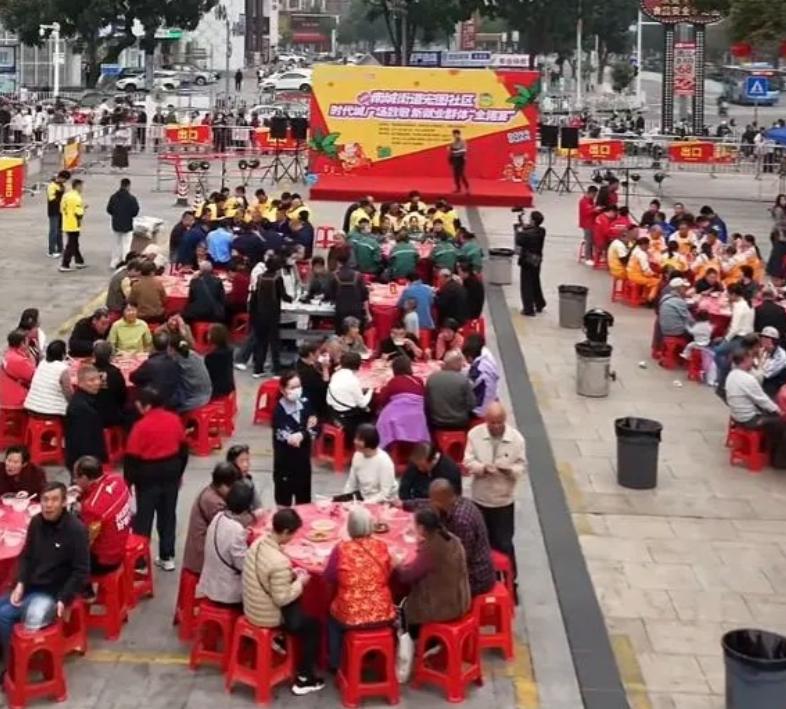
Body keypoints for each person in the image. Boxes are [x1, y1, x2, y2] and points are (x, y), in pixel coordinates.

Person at [0, 482, 89, 661]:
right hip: (31, 586)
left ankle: (12, 664)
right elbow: (26, 556)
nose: (49, 505)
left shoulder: (76, 530)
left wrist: (64, 598)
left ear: (64, 502)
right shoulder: (36, 522)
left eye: (54, 500)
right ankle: (6, 649)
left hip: (53, 592)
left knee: (4, 615)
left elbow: (81, 571)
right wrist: (21, 583)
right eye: (45, 500)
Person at [242, 508, 325, 695]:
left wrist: (291, 576)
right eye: (293, 534)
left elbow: (269, 576)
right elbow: (282, 598)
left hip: (252, 605)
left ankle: (282, 644)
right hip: (266, 615)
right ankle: (304, 678)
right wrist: (300, 582)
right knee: (313, 626)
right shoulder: (279, 561)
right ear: (286, 532)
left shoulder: (258, 543)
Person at [464, 403, 526, 597]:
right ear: (486, 421)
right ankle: (480, 581)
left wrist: (510, 470)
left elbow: (521, 466)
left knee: (504, 543)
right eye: (492, 423)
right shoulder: (475, 435)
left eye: (500, 422)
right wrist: (482, 468)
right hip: (480, 498)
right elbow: (468, 461)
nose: (496, 426)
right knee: (479, 543)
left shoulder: (516, 439)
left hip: (502, 501)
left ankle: (511, 583)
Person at [124, 387, 189, 571]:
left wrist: (128, 483)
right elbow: (183, 450)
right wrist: (178, 473)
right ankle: (167, 556)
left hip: (147, 476)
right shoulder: (174, 419)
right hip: (171, 472)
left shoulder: (140, 426)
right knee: (168, 515)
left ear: (146, 405)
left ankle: (140, 560)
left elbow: (131, 459)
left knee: (143, 518)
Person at [324, 506, 396, 670]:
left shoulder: (341, 549)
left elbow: (329, 576)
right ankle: (378, 658)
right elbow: (387, 572)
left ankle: (335, 663)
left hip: (351, 615)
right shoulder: (381, 546)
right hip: (383, 612)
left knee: (332, 620)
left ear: (350, 527)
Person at [396, 507, 470, 638]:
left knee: (404, 604)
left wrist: (396, 564)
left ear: (421, 528)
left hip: (444, 609)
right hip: (461, 601)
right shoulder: (450, 538)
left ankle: (416, 640)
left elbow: (407, 576)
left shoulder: (431, 549)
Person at [196, 481, 254, 606]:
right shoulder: (236, 529)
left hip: (209, 582)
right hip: (226, 591)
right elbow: (242, 564)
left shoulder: (218, 516)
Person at [182, 463, 245, 576]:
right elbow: (231, 524)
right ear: (222, 485)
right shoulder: (213, 502)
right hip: (201, 557)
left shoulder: (211, 491)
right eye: (231, 487)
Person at [725, 350, 786, 467]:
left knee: (772, 415)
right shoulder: (747, 379)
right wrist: (780, 411)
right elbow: (763, 400)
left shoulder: (731, 375)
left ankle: (765, 449)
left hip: (737, 417)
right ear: (745, 360)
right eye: (750, 359)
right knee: (780, 423)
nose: (752, 362)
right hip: (749, 420)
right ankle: (779, 461)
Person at [73, 456, 131, 577]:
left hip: (106, 560)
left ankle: (84, 586)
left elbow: (86, 541)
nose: (74, 481)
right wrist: (83, 495)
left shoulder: (92, 509)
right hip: (123, 542)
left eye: (76, 477)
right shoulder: (118, 480)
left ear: (84, 478)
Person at [272, 372, 318, 506]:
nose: (297, 390)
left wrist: (303, 434)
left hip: (303, 463)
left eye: (298, 386)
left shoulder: (305, 403)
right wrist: (305, 433)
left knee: (304, 503)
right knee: (284, 504)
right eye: (292, 388)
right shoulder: (279, 412)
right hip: (285, 465)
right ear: (282, 390)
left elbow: (315, 426)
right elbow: (289, 438)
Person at [250, 256, 291, 377]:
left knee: (261, 342)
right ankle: (276, 370)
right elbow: (283, 295)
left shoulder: (260, 277)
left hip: (260, 313)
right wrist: (292, 298)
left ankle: (258, 369)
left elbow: (255, 294)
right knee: (274, 342)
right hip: (273, 314)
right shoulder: (277, 278)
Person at [65, 365, 108, 472]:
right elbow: (84, 442)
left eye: (97, 379)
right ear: (80, 383)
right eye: (91, 380)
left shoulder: (88, 399)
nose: (96, 383)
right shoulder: (82, 408)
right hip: (85, 464)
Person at [714, 283, 755, 394]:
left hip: (739, 338)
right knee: (725, 356)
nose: (727, 297)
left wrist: (725, 339)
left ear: (733, 295)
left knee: (717, 352)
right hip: (746, 336)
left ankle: (724, 376)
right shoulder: (746, 304)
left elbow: (735, 328)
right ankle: (723, 379)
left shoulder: (739, 307)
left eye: (728, 294)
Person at [342, 424, 397, 502]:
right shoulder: (357, 455)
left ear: (369, 441)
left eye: (359, 440)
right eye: (356, 438)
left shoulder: (384, 461)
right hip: (364, 498)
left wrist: (366, 503)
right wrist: (344, 499)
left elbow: (385, 493)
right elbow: (351, 484)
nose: (355, 442)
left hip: (383, 501)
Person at [327, 352, 373, 442]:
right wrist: (371, 390)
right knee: (371, 408)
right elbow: (363, 404)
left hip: (333, 410)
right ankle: (364, 438)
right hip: (347, 415)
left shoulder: (336, 374)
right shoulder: (352, 380)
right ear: (358, 366)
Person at [424, 349, 475, 430]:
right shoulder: (463, 380)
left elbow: (427, 404)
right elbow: (472, 405)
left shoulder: (431, 379)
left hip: (437, 423)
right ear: (457, 364)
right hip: (459, 423)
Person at [129, 331, 179, 408]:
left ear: (152, 345)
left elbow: (133, 377)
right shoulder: (174, 361)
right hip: (171, 400)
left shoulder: (150, 363)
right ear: (168, 346)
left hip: (153, 402)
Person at [325, 249, 370, 332]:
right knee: (356, 335)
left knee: (341, 335)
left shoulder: (334, 276)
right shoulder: (358, 275)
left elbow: (329, 295)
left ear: (338, 261)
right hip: (356, 312)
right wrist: (368, 314)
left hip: (341, 312)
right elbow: (365, 296)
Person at [24, 340, 72, 417]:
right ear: (63, 354)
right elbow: (68, 394)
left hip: (31, 407)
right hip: (51, 411)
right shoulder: (63, 368)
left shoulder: (42, 363)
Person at [516, 210, 547, 316]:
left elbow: (519, 240)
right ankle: (539, 303)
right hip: (537, 260)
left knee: (526, 285)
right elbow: (531, 230)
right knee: (535, 282)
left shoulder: (526, 235)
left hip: (527, 261)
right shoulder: (542, 231)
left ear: (533, 221)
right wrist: (525, 227)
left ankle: (528, 309)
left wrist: (519, 228)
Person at [91, 340, 127, 428]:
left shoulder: (87, 371)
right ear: (110, 356)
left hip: (90, 414)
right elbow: (123, 395)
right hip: (111, 415)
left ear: (93, 355)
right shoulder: (115, 372)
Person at [106, 178, 140, 269]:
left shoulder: (113, 197)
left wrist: (116, 214)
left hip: (116, 224)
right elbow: (135, 212)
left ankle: (114, 262)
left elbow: (109, 209)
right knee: (126, 245)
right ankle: (126, 262)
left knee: (116, 244)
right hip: (127, 224)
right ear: (128, 186)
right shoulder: (132, 198)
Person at [463, 333, 499, 417]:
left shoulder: (477, 370)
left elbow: (466, 387)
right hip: (492, 397)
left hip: (480, 409)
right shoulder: (487, 354)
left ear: (470, 357)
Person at [172, 340, 212, 413]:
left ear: (173, 349)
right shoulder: (194, 354)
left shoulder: (178, 361)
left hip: (194, 400)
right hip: (207, 393)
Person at [0, 330, 36, 408]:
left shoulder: (7, 354)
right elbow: (35, 376)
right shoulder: (19, 361)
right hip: (16, 403)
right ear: (22, 343)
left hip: (5, 399)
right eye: (27, 341)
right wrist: (31, 357)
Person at [296, 342, 330, 419]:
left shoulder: (302, 362)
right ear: (311, 354)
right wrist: (325, 368)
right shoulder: (306, 372)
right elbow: (324, 386)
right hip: (315, 403)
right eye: (318, 353)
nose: (319, 355)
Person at [60, 179, 87, 273]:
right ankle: (65, 264)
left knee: (74, 243)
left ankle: (79, 261)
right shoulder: (76, 198)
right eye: (82, 186)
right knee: (71, 245)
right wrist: (83, 209)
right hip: (74, 224)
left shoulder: (66, 195)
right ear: (78, 186)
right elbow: (78, 212)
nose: (82, 188)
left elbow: (61, 208)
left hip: (66, 222)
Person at [204, 324, 235, 400]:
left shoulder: (211, 357)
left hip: (215, 390)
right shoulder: (229, 351)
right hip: (228, 387)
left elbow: (207, 376)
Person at [626, 236, 660, 302]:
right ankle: (650, 299)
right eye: (648, 245)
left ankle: (644, 296)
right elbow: (646, 270)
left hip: (630, 273)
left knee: (649, 279)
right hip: (637, 276)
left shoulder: (636, 250)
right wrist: (654, 274)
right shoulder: (642, 254)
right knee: (657, 282)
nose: (648, 247)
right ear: (645, 245)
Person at [46, 170, 70, 258]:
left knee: (60, 231)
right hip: (53, 211)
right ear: (61, 177)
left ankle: (60, 249)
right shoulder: (51, 186)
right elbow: (51, 199)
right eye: (65, 179)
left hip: (61, 211)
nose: (65, 181)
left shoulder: (61, 185)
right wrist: (61, 200)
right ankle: (51, 251)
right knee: (53, 231)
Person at [759, 326, 786, 397]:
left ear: (774, 341)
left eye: (766, 337)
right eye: (762, 337)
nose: (763, 339)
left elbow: (767, 374)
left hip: (773, 384)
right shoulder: (762, 350)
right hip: (761, 379)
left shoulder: (781, 356)